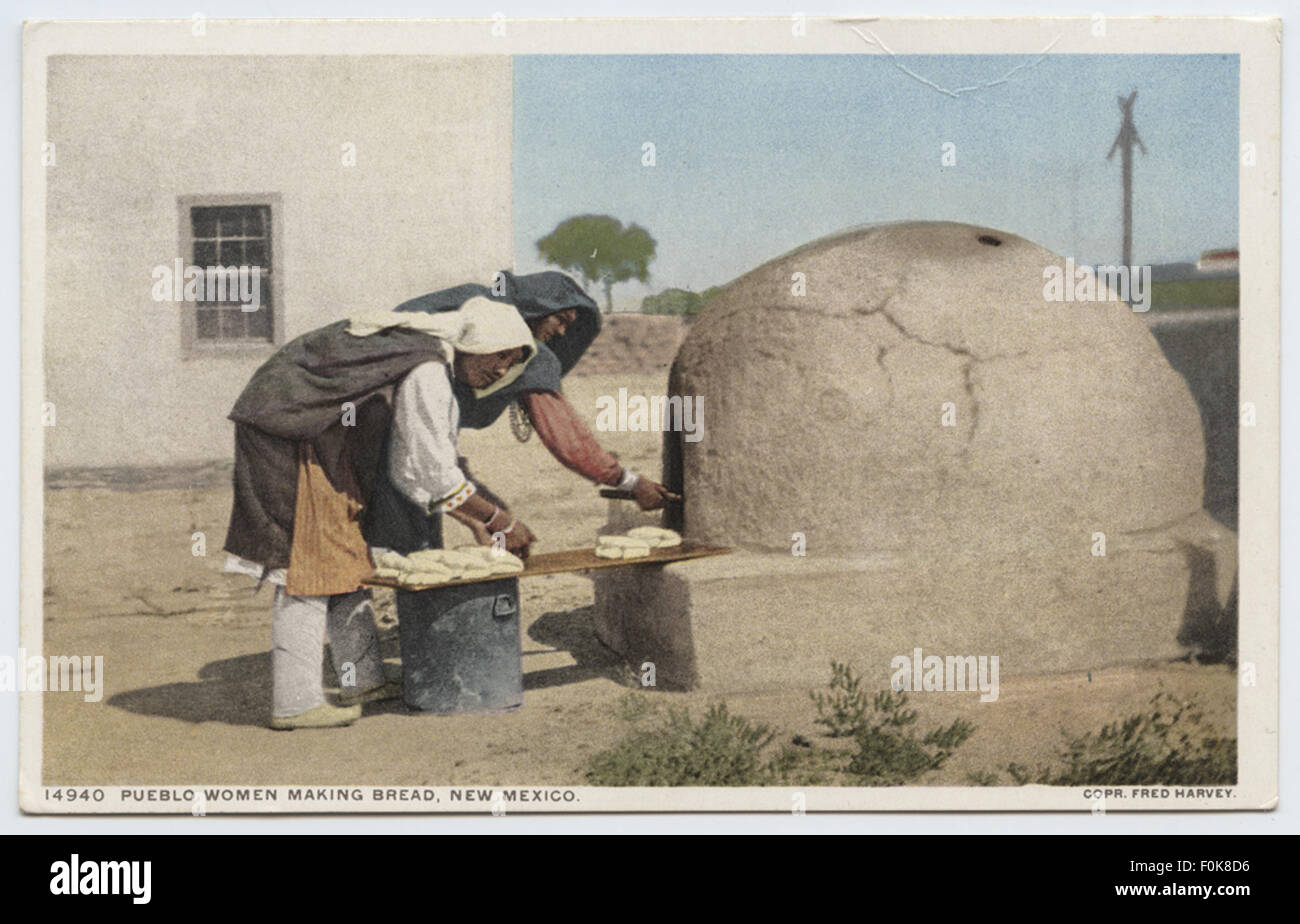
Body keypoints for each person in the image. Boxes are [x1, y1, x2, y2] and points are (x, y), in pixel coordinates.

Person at [222, 296, 538, 729]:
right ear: (476, 341)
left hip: (318, 438)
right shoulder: (427, 369)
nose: (502, 370)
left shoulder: (424, 359)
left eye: (512, 363)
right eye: (501, 355)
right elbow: (434, 471)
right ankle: (294, 703)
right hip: (288, 431)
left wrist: (473, 521)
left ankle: (363, 679)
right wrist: (501, 522)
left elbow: (413, 474)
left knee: (347, 556)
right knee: (305, 565)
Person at [391, 270, 680, 511]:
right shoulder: (531, 354)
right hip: (391, 448)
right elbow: (566, 437)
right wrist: (630, 482)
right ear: (538, 307)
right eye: (560, 320)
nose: (562, 333)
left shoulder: (473, 303)